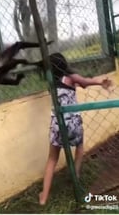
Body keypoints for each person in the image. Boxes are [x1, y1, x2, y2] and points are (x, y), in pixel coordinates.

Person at [39, 53, 113, 205]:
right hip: (72, 123)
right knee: (79, 147)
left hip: (57, 124)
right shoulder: (71, 78)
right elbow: (86, 82)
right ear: (64, 64)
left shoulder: (51, 82)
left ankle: (44, 196)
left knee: (52, 158)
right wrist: (100, 81)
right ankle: (75, 176)